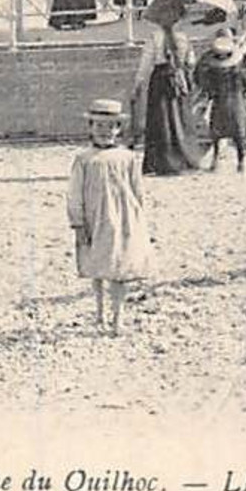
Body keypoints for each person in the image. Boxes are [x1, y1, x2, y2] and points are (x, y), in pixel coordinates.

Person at [66, 98, 150, 335]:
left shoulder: (127, 157)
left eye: (110, 126)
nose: (105, 131)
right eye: (99, 126)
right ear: (90, 127)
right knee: (98, 265)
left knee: (120, 268)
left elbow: (137, 189)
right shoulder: (84, 159)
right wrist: (78, 222)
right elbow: (74, 194)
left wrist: (138, 218)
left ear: (118, 129)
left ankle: (118, 318)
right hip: (96, 219)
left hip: (124, 220)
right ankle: (100, 313)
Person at [130, 0, 206, 175]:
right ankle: (183, 158)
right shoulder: (183, 37)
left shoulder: (155, 38)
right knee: (180, 119)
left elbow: (146, 64)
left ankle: (162, 162)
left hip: (160, 79)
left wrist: (137, 85)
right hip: (178, 80)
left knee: (160, 120)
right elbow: (191, 62)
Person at [194, 28, 246, 171]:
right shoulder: (237, 66)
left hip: (219, 100)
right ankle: (241, 161)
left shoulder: (210, 66)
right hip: (236, 99)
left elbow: (200, 80)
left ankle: (215, 161)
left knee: (217, 130)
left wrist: (208, 91)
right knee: (240, 129)